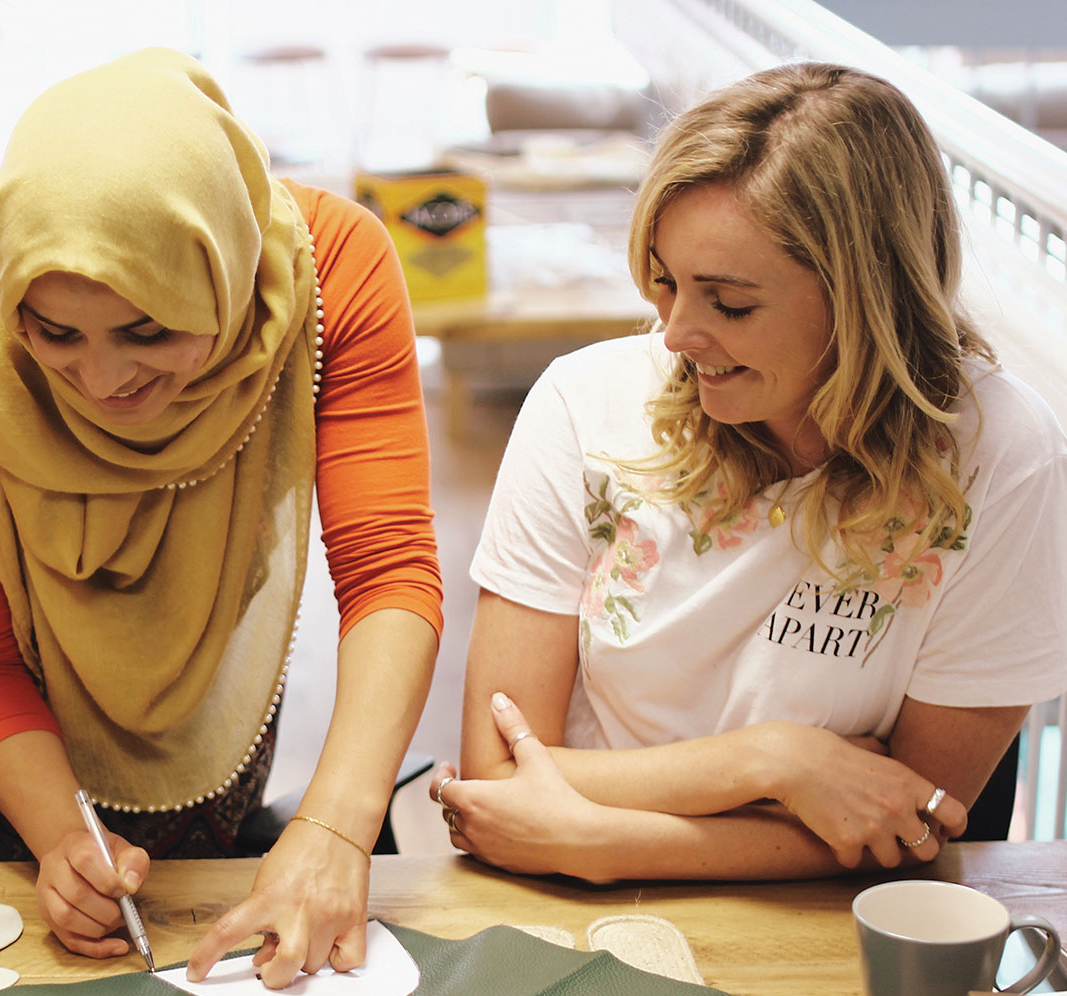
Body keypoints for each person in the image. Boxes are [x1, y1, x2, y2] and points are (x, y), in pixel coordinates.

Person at [0, 47, 443, 989]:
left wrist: (336, 826)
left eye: (150, 331)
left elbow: (390, 571)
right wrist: (60, 840)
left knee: (187, 937)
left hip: (200, 596)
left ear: (228, 276)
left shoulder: (331, 282)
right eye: (53, 334)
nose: (103, 381)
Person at [438, 63, 1067, 881]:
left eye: (729, 303)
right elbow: (499, 781)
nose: (675, 334)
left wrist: (599, 840)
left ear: (869, 298)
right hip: (561, 903)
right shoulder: (581, 403)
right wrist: (778, 764)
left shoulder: (1001, 455)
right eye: (666, 282)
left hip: (827, 927)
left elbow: (911, 821)